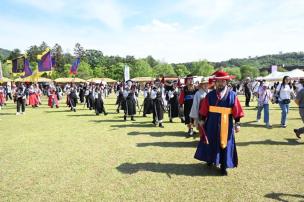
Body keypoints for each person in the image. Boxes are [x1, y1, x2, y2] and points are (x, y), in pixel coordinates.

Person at [194, 71, 244, 176]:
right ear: (215, 82)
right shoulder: (210, 95)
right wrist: (202, 119)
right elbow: (204, 108)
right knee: (210, 141)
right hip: (211, 123)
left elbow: (237, 110)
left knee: (224, 144)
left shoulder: (232, 95)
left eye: (222, 81)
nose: (220, 83)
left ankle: (223, 166)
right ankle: (210, 159)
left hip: (226, 124)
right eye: (218, 81)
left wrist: (237, 123)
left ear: (226, 82)